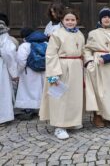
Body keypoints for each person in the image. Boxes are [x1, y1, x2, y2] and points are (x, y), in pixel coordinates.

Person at [39, 8, 85, 139]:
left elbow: (83, 50)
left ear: (77, 21)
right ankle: (59, 126)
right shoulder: (57, 34)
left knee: (74, 96)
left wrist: (88, 62)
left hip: (76, 67)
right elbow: (51, 54)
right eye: (67, 20)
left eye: (73, 20)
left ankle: (72, 121)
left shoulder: (80, 34)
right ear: (62, 20)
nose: (70, 22)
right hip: (62, 67)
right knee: (61, 96)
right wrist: (53, 73)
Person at [84, 7, 110, 127]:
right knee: (99, 91)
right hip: (97, 66)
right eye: (104, 17)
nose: (106, 19)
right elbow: (87, 49)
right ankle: (98, 116)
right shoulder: (93, 33)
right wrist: (89, 62)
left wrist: (108, 58)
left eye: (109, 17)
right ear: (100, 19)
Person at [15, 28, 47, 120]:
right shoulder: (45, 43)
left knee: (28, 91)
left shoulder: (24, 45)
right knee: (43, 88)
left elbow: (21, 60)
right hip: (44, 70)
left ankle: (28, 111)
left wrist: (18, 72)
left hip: (29, 72)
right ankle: (44, 109)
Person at [0, 13, 18, 126]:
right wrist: (14, 72)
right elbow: (8, 52)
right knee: (2, 91)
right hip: (1, 65)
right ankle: (3, 117)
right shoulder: (4, 35)